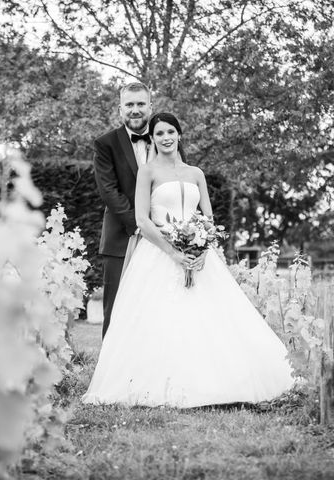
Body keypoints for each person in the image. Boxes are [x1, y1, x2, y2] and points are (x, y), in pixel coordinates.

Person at [83, 113, 295, 408]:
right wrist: (173, 253)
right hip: (159, 253)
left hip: (199, 256)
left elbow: (208, 219)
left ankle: (219, 382)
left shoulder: (196, 173)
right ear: (153, 138)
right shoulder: (147, 172)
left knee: (213, 319)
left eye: (171, 131)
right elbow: (143, 220)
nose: (166, 137)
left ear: (179, 135)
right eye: (159, 133)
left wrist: (202, 251)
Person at [93, 82, 152, 338]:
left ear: (151, 107)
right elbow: (109, 191)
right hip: (121, 240)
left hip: (162, 242)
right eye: (130, 104)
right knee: (116, 310)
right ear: (120, 109)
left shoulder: (166, 138)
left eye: (140, 104)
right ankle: (109, 375)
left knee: (157, 310)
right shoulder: (105, 144)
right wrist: (140, 225)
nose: (135, 110)